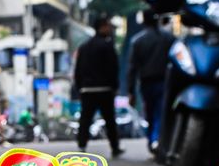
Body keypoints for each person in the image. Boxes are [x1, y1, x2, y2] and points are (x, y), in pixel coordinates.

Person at [74, 16, 124, 156]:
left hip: (87, 89)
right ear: (102, 27)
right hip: (104, 89)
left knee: (85, 119)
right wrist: (114, 86)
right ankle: (115, 147)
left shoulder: (83, 47)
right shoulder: (107, 46)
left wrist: (79, 88)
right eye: (108, 26)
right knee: (109, 120)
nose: (110, 29)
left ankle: (82, 145)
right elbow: (114, 68)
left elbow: (77, 70)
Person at [127, 9, 175, 152]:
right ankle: (156, 140)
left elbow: (132, 68)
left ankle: (153, 140)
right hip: (164, 82)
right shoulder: (169, 39)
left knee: (150, 112)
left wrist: (131, 91)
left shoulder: (138, 41)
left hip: (146, 83)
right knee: (160, 112)